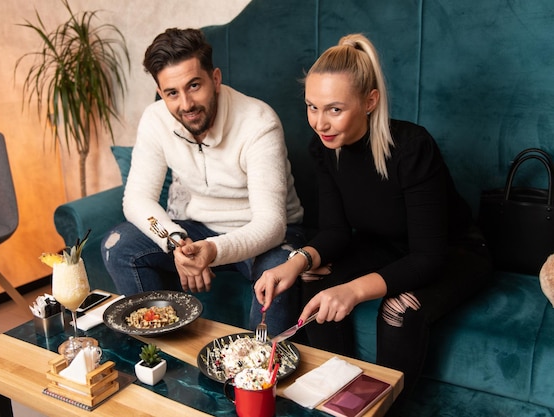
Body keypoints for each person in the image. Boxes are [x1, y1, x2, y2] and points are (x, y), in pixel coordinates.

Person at [254, 33, 492, 413]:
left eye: (334, 109)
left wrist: (352, 291)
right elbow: (333, 231)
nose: (319, 122)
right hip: (386, 245)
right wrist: (294, 262)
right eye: (311, 107)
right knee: (312, 281)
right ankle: (340, 396)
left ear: (370, 101)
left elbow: (428, 256)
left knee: (397, 309)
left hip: (454, 250)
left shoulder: (413, 147)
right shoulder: (325, 147)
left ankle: (378, 411)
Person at [101, 28, 305, 335]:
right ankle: (161, 353)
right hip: (196, 229)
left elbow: (271, 224)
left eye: (194, 85)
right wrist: (176, 242)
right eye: (172, 93)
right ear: (160, 92)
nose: (186, 104)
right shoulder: (156, 119)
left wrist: (211, 250)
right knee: (117, 246)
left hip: (266, 237)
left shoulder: (259, 122)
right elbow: (136, 198)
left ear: (216, 79)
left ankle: (260, 370)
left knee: (277, 274)